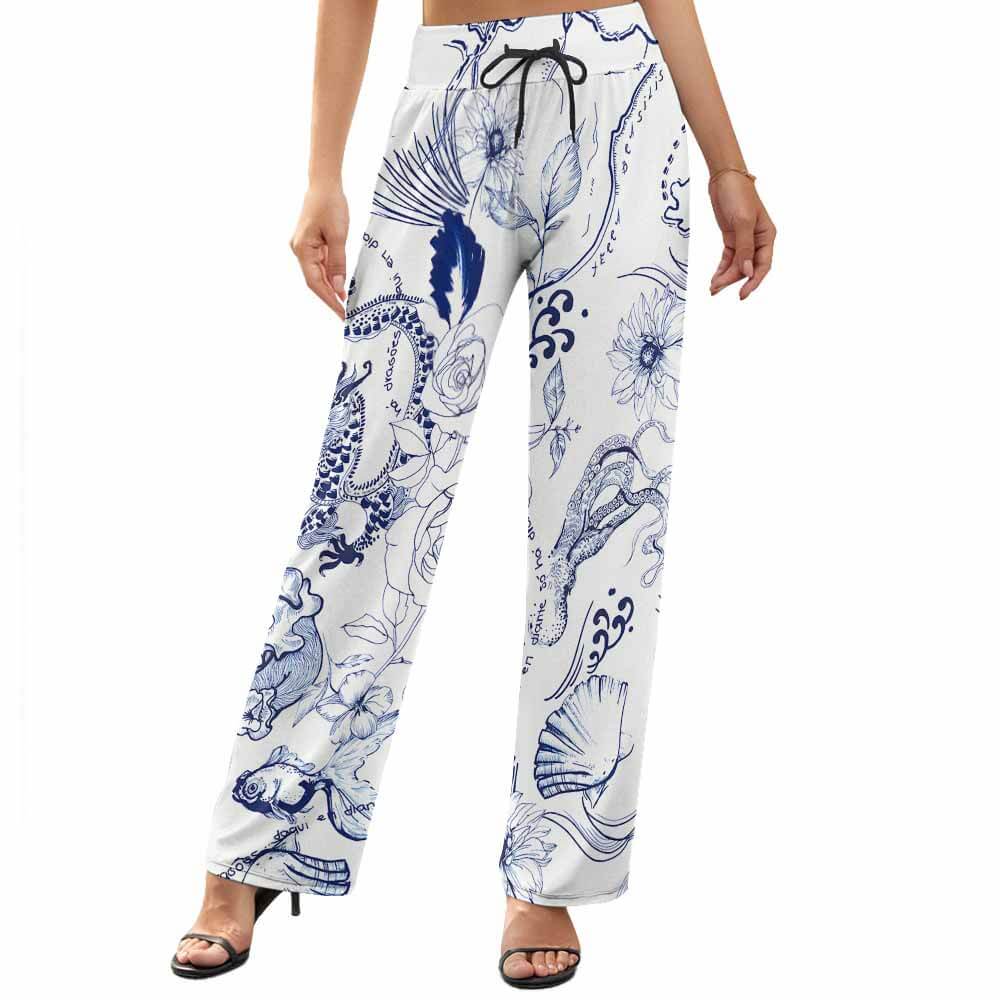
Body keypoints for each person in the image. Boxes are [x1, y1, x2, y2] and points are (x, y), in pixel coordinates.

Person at [171, 0, 775, 988]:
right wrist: (322, 171)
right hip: (453, 99)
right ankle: (258, 841)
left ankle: (549, 870)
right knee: (368, 492)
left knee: (603, 515)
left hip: (622, 99)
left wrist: (727, 166)